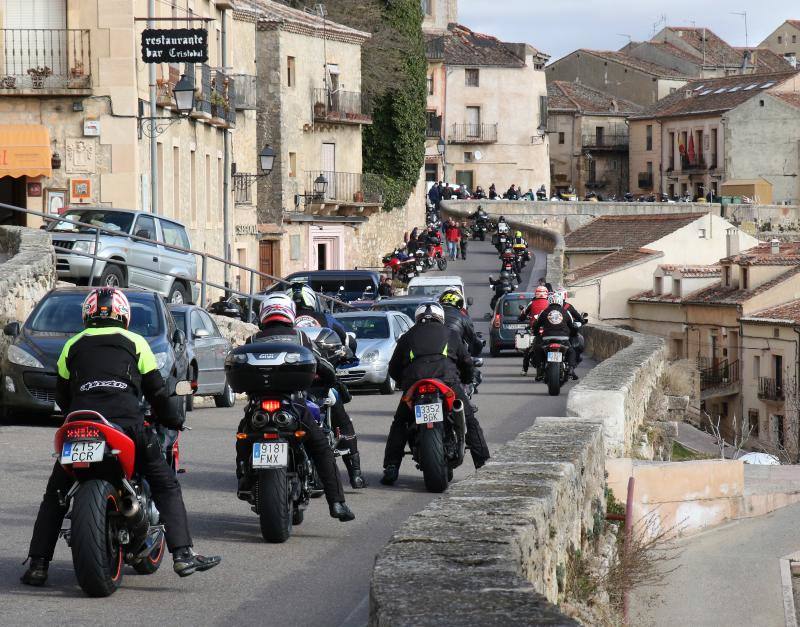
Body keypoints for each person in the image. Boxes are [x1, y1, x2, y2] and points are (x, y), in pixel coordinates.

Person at [21, 288, 221, 587]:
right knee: (165, 484)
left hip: (80, 425)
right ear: (124, 315)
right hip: (126, 426)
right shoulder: (137, 342)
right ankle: (183, 554)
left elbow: (62, 394)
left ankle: (38, 564)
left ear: (88, 315)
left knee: (55, 495)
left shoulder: (71, 345)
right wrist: (173, 419)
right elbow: (157, 391)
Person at [242, 294, 361, 511]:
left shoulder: (252, 340)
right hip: (293, 404)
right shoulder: (300, 338)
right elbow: (322, 364)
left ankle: (245, 480)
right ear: (289, 313)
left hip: (258, 406)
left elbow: (238, 368)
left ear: (263, 314)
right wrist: (329, 379)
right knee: (321, 447)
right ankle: (337, 503)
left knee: (243, 438)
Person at [380, 303, 490, 485]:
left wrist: (403, 383)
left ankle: (391, 467)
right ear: (441, 318)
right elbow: (466, 362)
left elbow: (393, 368)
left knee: (400, 423)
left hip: (415, 384)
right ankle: (484, 464)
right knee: (470, 419)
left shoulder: (407, 336)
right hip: (447, 382)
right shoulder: (451, 334)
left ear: (417, 318)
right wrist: (466, 379)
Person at [288, 285, 366, 489]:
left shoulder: (284, 323)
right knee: (342, 420)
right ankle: (355, 474)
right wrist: (347, 354)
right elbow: (347, 340)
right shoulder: (325, 319)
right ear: (312, 300)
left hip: (291, 381)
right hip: (321, 379)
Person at [531, 291, 579, 381]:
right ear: (560, 301)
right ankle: (571, 370)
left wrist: (536, 333)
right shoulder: (566, 312)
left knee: (538, 350)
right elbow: (573, 325)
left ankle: (539, 371)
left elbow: (536, 325)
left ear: (549, 302)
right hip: (563, 338)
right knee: (571, 351)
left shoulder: (544, 312)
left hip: (547, 338)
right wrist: (573, 334)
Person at [439, 288, 483, 357]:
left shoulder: (434, 314)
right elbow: (472, 339)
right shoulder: (463, 317)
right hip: (454, 355)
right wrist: (477, 349)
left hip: (432, 354)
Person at [519, 285, 550, 376]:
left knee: (528, 350)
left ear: (536, 293)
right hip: (549, 329)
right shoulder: (550, 303)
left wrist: (521, 317)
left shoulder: (532, 303)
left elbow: (523, 315)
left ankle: (525, 370)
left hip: (536, 329)